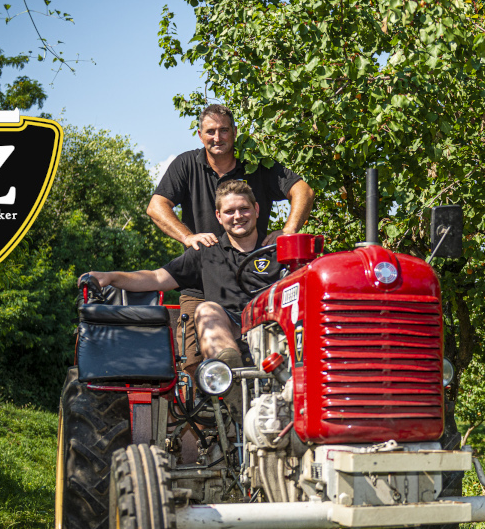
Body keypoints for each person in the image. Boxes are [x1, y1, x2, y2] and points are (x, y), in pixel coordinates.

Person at [147, 104, 314, 368]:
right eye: (210, 131)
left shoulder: (257, 165)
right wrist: (187, 237)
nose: (217, 137)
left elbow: (303, 190)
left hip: (255, 284)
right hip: (201, 284)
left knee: (288, 354)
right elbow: (156, 206)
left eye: (224, 130)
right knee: (193, 364)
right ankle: (221, 404)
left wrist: (288, 231)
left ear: (234, 132)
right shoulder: (186, 164)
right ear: (200, 135)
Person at [84, 180, 280, 389]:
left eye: (244, 209)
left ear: (256, 210)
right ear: (219, 217)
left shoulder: (280, 250)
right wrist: (111, 277)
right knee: (206, 309)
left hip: (273, 331)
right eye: (230, 211)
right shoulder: (207, 250)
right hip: (228, 333)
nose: (238, 216)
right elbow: (157, 278)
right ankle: (230, 388)